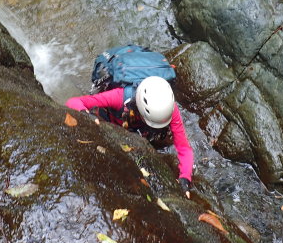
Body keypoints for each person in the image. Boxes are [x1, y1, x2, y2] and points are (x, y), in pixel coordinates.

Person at [66, 75, 194, 198]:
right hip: (115, 122)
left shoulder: (169, 108)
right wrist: (85, 114)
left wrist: (185, 178)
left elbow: (184, 148)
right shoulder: (118, 97)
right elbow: (73, 102)